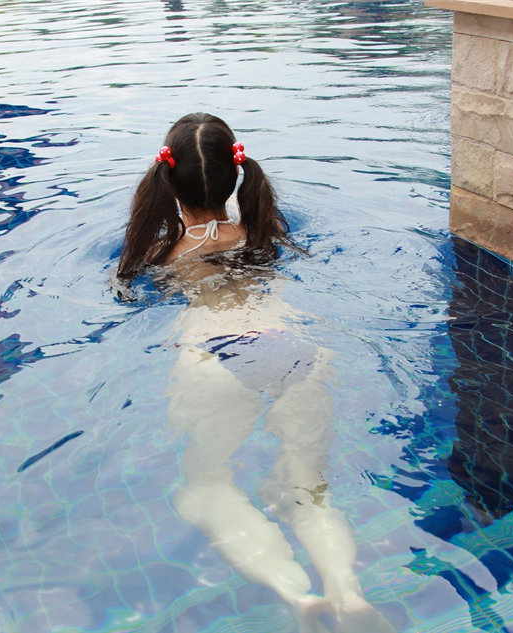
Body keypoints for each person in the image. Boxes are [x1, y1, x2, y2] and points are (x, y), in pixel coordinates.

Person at [118, 113, 396, 633]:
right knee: (310, 491)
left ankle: (297, 595)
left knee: (204, 489)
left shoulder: (161, 253)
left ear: (168, 182)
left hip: (215, 356)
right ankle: (347, 590)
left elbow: (128, 295)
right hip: (298, 348)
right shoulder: (265, 234)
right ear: (236, 175)